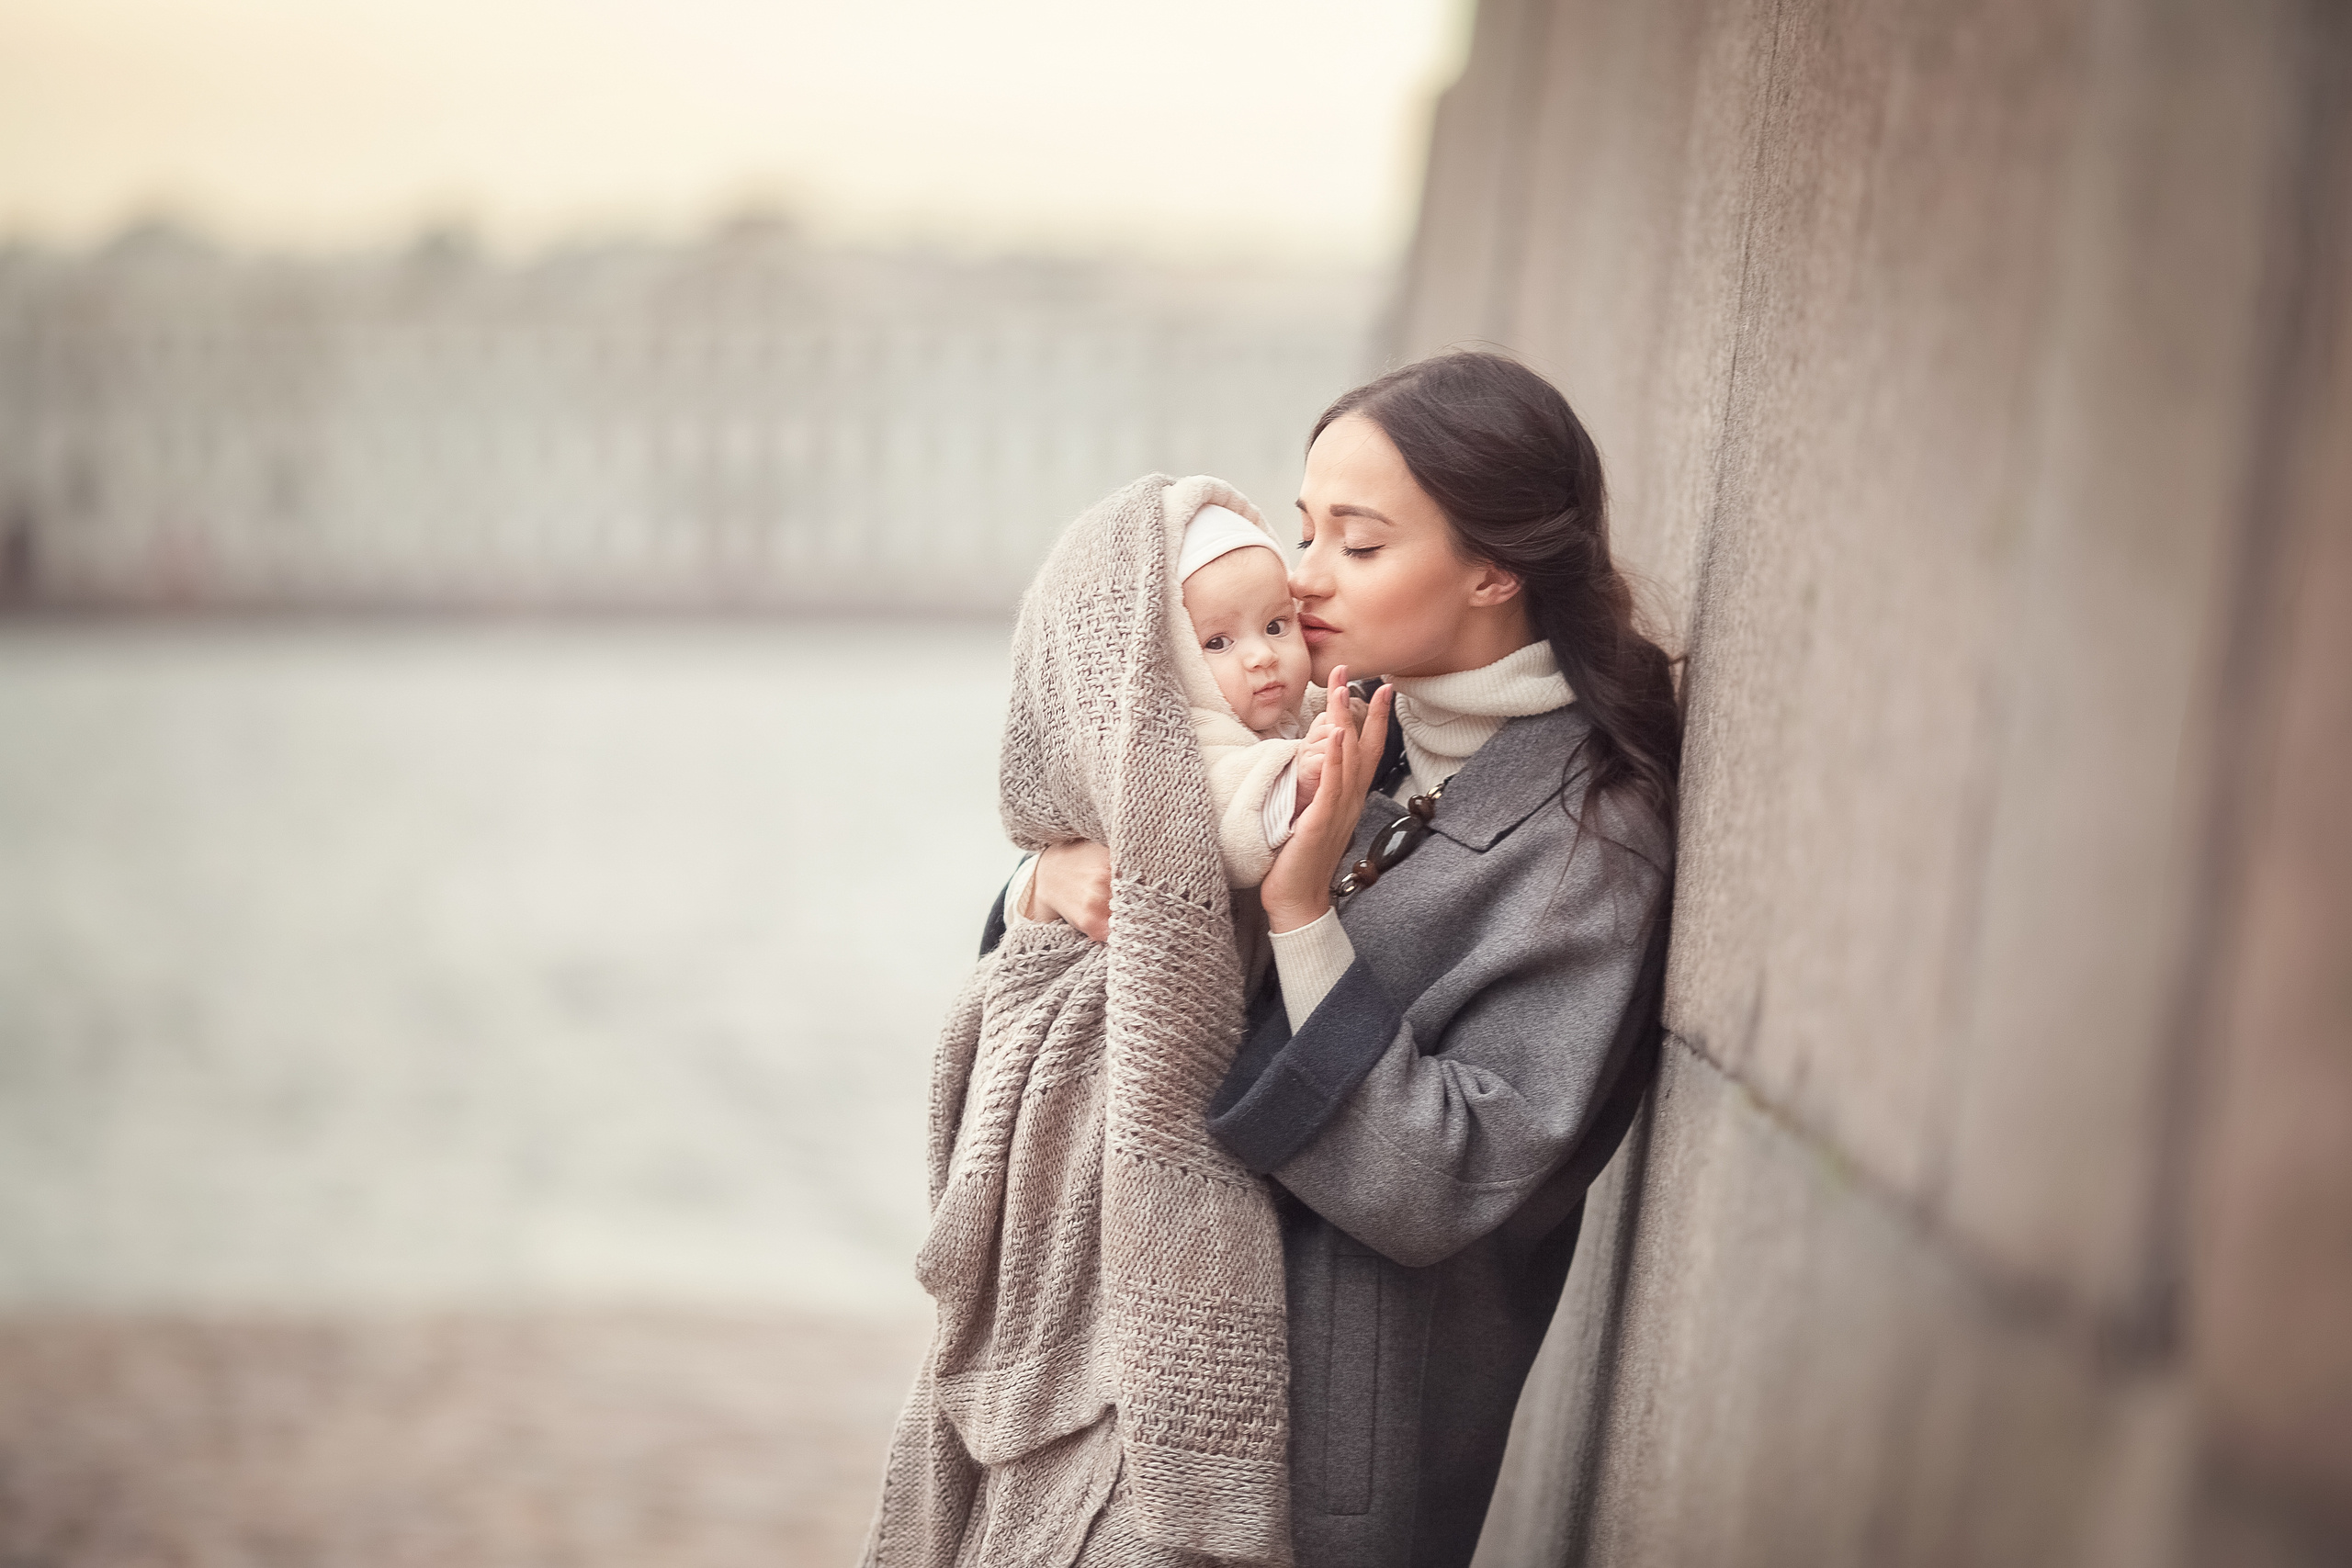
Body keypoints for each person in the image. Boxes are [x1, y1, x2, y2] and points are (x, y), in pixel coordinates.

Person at [1008, 352, 1680, 1568]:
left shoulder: (1591, 837)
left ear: (1495, 567)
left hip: (1319, 1447)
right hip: (1140, 1373)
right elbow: (1116, 937)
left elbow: (1452, 1180)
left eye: (1358, 547)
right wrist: (1041, 882)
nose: (1305, 579)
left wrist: (1304, 911)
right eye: (1307, 528)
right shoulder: (1324, 719)